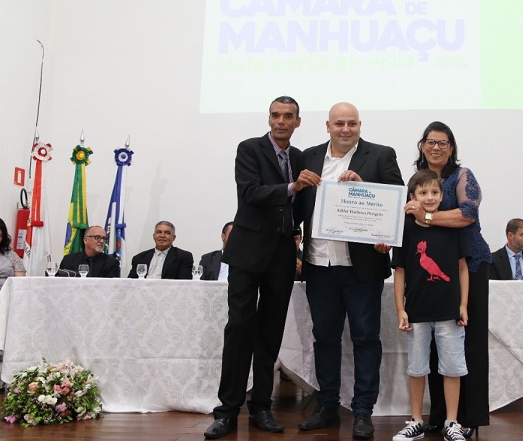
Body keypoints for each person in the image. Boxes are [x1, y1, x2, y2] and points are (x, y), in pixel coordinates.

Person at [204, 96, 318, 439]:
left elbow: (304, 203)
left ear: (298, 122)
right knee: (239, 328)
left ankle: (261, 408)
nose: (281, 121)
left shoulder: (300, 158)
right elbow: (250, 193)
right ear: (269, 118)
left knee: (270, 334)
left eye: (288, 116)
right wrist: (292, 187)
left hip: (281, 254)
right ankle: (227, 411)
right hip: (247, 252)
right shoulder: (249, 149)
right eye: (275, 115)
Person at [297, 102, 403, 440]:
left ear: (360, 125)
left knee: (366, 339)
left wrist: (364, 187)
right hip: (319, 265)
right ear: (327, 126)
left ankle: (362, 410)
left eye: (352, 123)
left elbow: (396, 202)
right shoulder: (309, 157)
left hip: (362, 268)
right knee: (325, 338)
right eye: (339, 123)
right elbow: (298, 206)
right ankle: (327, 405)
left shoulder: (381, 155)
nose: (346, 129)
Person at [404, 121, 491, 435]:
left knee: (468, 344)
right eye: (430, 142)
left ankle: (467, 418)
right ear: (422, 145)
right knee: (434, 348)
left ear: (451, 147)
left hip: (468, 266)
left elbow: (468, 213)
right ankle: (441, 417)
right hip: (430, 276)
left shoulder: (462, 175)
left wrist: (426, 216)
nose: (436, 147)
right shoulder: (419, 179)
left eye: (443, 142)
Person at [392, 169, 469, 441]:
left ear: (442, 195)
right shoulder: (405, 229)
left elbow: (462, 268)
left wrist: (463, 304)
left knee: (452, 367)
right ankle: (415, 420)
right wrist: (400, 309)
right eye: (423, 192)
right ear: (412, 197)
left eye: (435, 192)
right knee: (417, 367)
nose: (429, 197)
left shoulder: (452, 227)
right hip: (417, 311)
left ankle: (452, 422)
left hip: (449, 311)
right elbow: (399, 271)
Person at [0, 216, 26, 390]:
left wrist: (1, 301)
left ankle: (3, 382)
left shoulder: (12, 257)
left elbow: (20, 284)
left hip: (7, 306)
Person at [128, 221, 194, 279]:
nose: (162, 235)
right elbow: (130, 283)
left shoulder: (183, 257)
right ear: (154, 236)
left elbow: (184, 284)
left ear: (173, 238)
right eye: (159, 232)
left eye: (167, 233)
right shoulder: (139, 258)